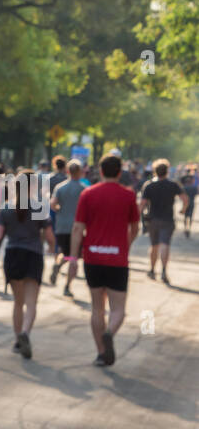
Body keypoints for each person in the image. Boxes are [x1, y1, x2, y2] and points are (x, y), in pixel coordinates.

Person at [70, 154, 140, 367]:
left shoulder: (88, 194)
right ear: (120, 172)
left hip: (93, 258)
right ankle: (109, 333)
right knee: (118, 309)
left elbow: (77, 228)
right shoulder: (128, 196)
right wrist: (126, 244)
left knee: (97, 308)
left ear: (100, 171)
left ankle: (101, 352)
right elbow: (135, 227)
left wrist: (73, 257)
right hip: (117, 259)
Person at [0, 170, 56, 359]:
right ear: (34, 186)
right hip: (33, 255)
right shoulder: (39, 207)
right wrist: (52, 247)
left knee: (18, 302)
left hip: (13, 255)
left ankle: (17, 340)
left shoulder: (7, 208)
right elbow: (49, 236)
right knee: (31, 303)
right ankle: (25, 332)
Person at [139, 159, 183, 284]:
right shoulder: (173, 185)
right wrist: (183, 210)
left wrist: (136, 217)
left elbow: (142, 204)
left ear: (155, 171)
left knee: (154, 246)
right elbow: (184, 199)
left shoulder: (149, 185)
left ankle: (152, 270)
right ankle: (163, 270)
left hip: (153, 219)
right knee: (165, 244)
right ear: (167, 171)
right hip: (168, 219)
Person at [49, 159, 88, 296]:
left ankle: (58, 264)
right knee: (74, 257)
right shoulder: (84, 190)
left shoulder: (60, 187)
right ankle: (67, 286)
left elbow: (52, 204)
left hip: (61, 224)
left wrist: (60, 210)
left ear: (68, 171)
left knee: (63, 251)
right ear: (80, 172)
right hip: (77, 226)